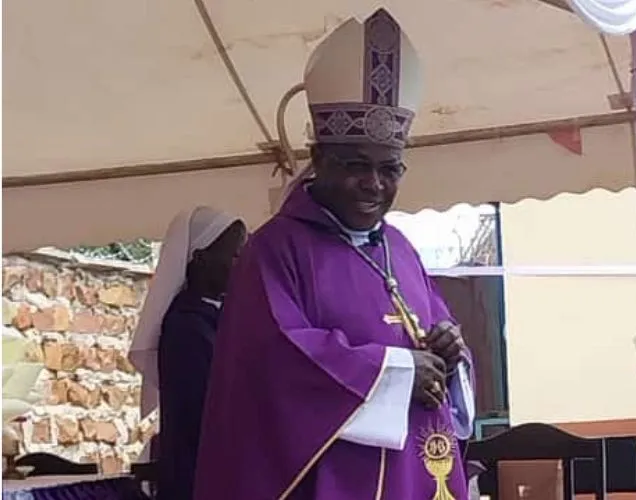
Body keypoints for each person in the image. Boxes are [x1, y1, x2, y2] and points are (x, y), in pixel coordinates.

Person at [193, 9, 476, 500]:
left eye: (390, 169)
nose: (374, 183)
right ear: (319, 160)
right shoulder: (275, 250)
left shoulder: (400, 248)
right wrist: (397, 373)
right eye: (356, 165)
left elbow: (438, 341)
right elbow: (274, 364)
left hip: (416, 476)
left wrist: (453, 355)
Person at [128, 207, 246, 500]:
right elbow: (205, 409)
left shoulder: (221, 317)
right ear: (200, 257)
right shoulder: (187, 326)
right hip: (200, 474)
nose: (243, 265)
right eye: (235, 255)